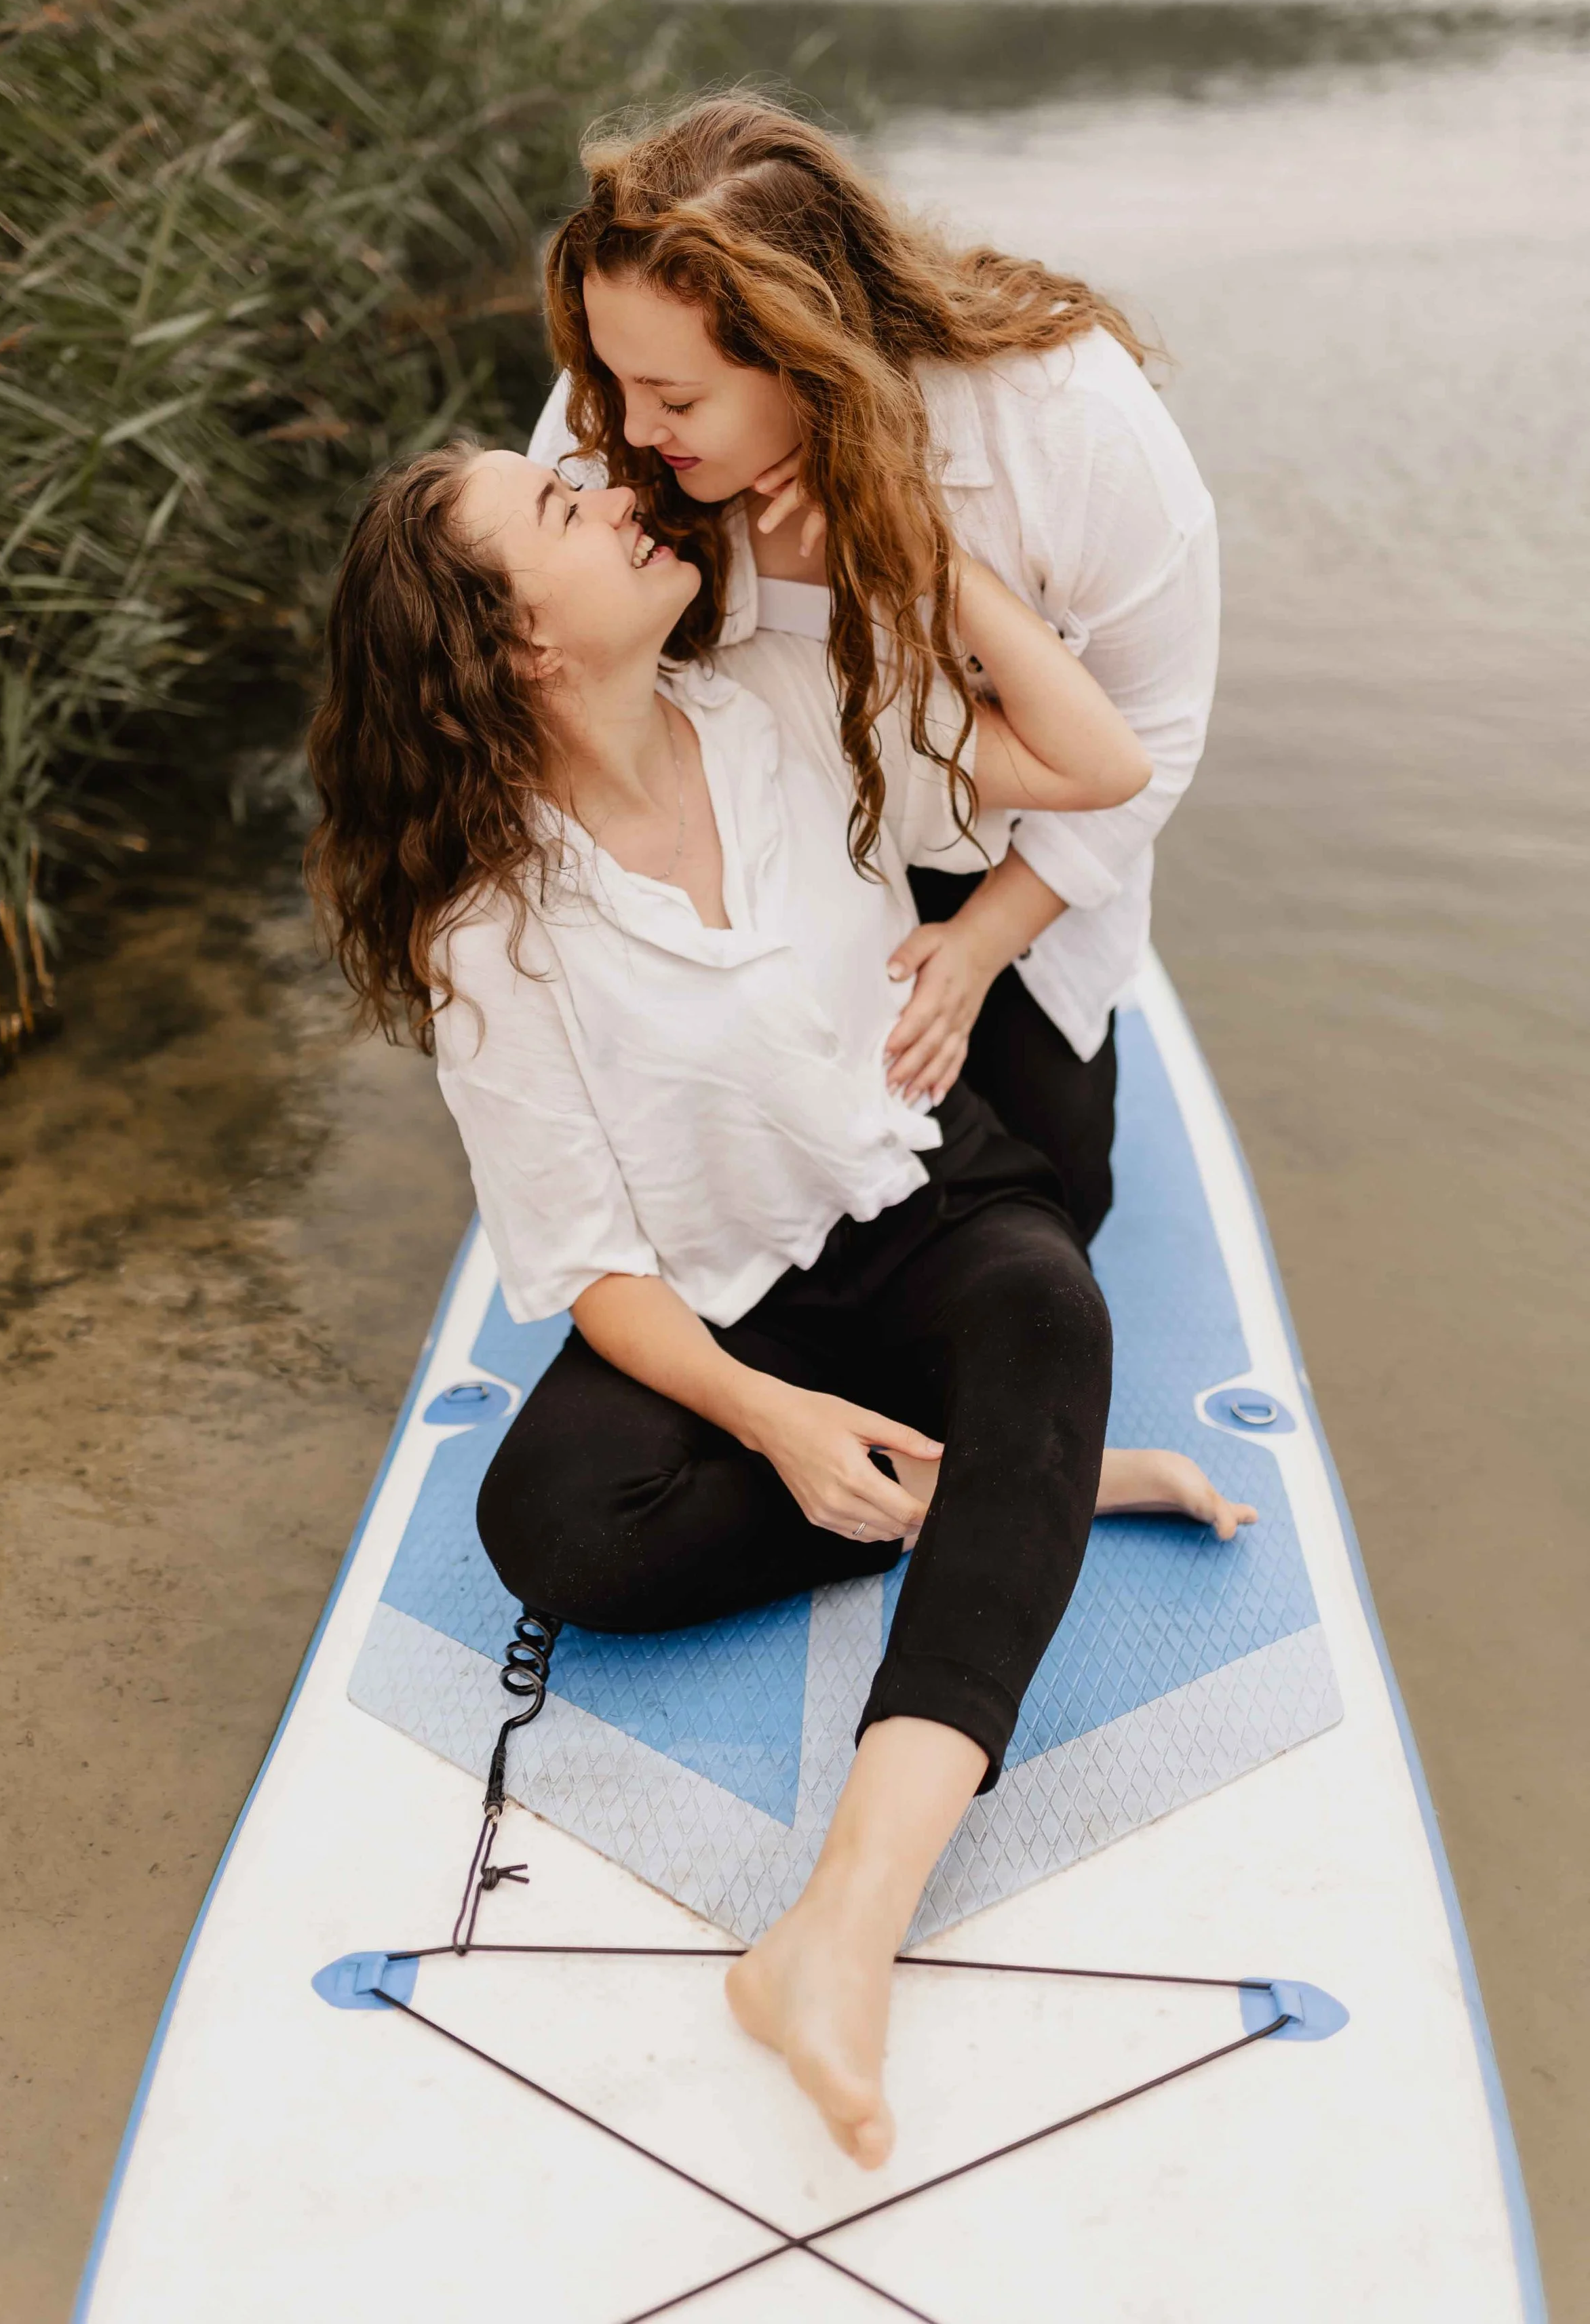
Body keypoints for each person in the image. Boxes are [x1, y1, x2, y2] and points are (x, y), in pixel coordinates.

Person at [306, 440, 1252, 2172]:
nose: (606, 492)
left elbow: (1098, 765)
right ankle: (1028, 1486)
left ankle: (841, 1926)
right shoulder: (484, 923)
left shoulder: (781, 701)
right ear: (515, 643)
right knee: (556, 1532)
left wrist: (910, 535)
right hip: (729, 1298)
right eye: (556, 515)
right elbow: (587, 1262)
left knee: (1048, 1311)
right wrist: (768, 1413)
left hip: (919, 1198)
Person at [528, 93, 1220, 1248]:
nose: (626, 432)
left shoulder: (1067, 424)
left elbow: (1157, 731)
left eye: (679, 399)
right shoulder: (621, 402)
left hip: (1003, 856)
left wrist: (981, 944)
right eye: (615, 379)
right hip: (747, 856)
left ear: (807, 355)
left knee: (1049, 1201)